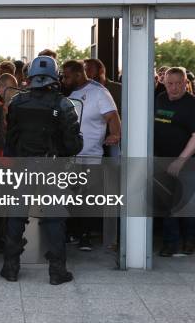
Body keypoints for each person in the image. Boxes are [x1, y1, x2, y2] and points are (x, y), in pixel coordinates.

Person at [2, 56, 83, 285]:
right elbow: (72, 145)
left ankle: (10, 268)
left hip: (23, 166)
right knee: (54, 218)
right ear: (55, 77)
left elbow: (11, 138)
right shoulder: (63, 104)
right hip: (52, 167)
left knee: (16, 215)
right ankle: (57, 272)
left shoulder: (17, 102)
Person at [61, 60, 121, 250]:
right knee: (70, 197)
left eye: (67, 76)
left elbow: (112, 116)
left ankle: (85, 236)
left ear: (79, 75)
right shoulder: (69, 93)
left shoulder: (99, 92)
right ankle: (72, 233)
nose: (64, 79)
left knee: (87, 197)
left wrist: (115, 134)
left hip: (91, 154)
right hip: (70, 156)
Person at [155, 67, 195, 257]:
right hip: (162, 161)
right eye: (170, 83)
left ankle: (189, 241)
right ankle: (170, 243)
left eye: (178, 83)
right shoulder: (159, 99)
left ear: (186, 83)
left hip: (188, 163)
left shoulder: (192, 104)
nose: (174, 88)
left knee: (188, 203)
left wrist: (179, 161)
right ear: (164, 83)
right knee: (167, 203)